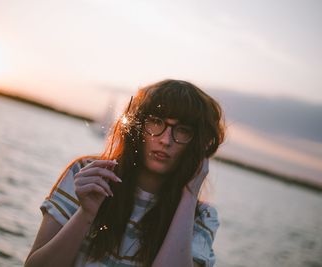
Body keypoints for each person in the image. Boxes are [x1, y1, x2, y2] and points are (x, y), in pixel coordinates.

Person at [25, 79, 226, 267]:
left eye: (182, 130)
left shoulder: (201, 216)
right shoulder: (88, 174)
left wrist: (190, 196)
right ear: (137, 126)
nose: (166, 140)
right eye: (155, 121)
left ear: (196, 143)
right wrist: (85, 213)